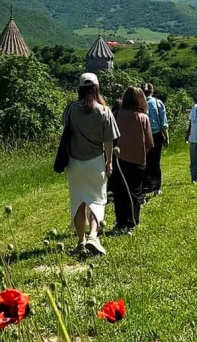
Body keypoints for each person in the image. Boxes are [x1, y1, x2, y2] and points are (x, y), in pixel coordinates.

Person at [64, 73, 120, 255]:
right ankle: (93, 236)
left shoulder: (70, 109)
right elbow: (109, 140)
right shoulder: (104, 111)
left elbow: (66, 132)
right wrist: (109, 162)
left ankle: (80, 242)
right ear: (97, 88)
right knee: (97, 200)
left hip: (74, 162)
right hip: (96, 161)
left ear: (79, 89)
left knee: (78, 202)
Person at [113, 87, 154, 235]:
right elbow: (149, 142)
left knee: (120, 191)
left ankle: (120, 222)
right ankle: (132, 222)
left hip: (119, 158)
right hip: (138, 160)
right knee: (135, 191)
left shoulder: (116, 114)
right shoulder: (143, 118)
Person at [141, 83, 169, 197]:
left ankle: (145, 187)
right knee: (155, 162)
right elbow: (164, 122)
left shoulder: (138, 103)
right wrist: (166, 136)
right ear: (152, 91)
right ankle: (156, 187)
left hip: (142, 136)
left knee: (144, 162)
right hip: (156, 135)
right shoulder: (158, 103)